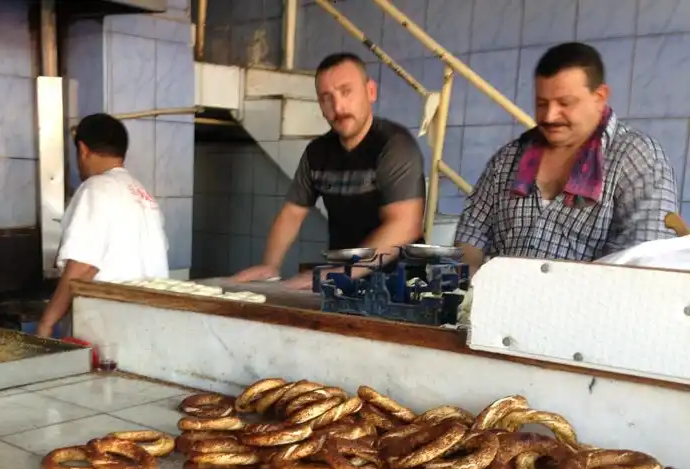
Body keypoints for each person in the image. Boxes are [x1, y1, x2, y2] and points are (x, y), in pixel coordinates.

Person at [454, 42, 679, 276]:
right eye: (542, 104)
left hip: (589, 308)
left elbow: (643, 262)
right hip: (499, 303)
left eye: (565, 103)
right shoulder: (508, 159)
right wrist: (469, 289)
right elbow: (472, 234)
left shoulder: (636, 158)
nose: (550, 116)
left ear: (599, 97)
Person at [232, 52, 426, 289]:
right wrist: (270, 265)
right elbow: (292, 214)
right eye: (326, 98)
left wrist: (340, 273)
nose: (338, 106)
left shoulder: (394, 145)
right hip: (345, 285)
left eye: (346, 91)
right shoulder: (317, 153)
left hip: (402, 287)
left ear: (370, 92)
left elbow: (404, 225)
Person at [36, 113, 169, 338]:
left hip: (109, 331)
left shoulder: (96, 188)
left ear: (83, 150)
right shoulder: (142, 194)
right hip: (148, 327)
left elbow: (83, 267)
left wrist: (47, 323)